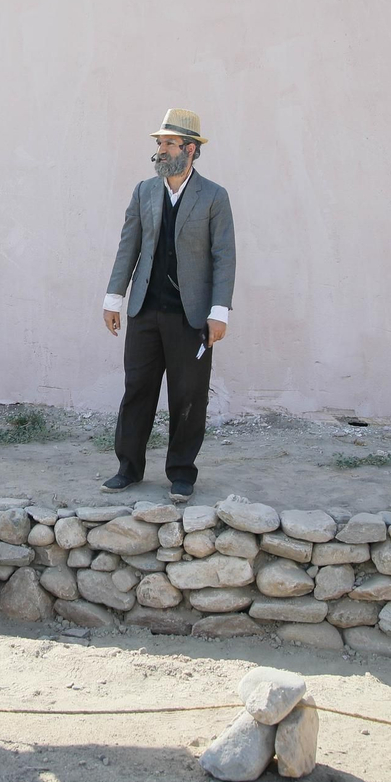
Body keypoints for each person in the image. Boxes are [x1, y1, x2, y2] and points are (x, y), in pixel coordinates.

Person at [101, 109, 235, 503]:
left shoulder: (214, 196)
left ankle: (181, 473)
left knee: (188, 395)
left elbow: (224, 256)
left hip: (190, 316)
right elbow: (129, 245)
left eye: (168, 144)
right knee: (137, 390)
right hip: (144, 311)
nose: (160, 150)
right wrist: (114, 298)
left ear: (190, 150)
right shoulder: (145, 191)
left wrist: (219, 311)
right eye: (159, 143)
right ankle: (128, 468)